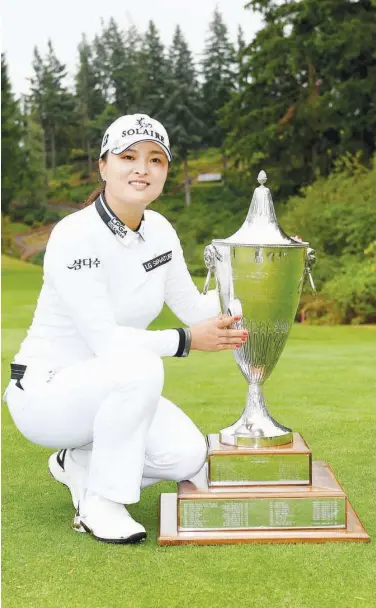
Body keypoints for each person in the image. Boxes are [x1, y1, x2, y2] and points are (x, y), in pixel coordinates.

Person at [3, 113, 248, 545]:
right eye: (128, 156)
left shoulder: (160, 231)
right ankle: (101, 503)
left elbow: (193, 306)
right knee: (141, 368)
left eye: (156, 160)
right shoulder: (74, 234)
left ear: (166, 172)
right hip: (47, 394)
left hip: (111, 387)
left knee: (185, 456)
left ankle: (77, 461)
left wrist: (250, 284)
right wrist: (187, 341)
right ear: (103, 166)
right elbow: (106, 340)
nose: (142, 168)